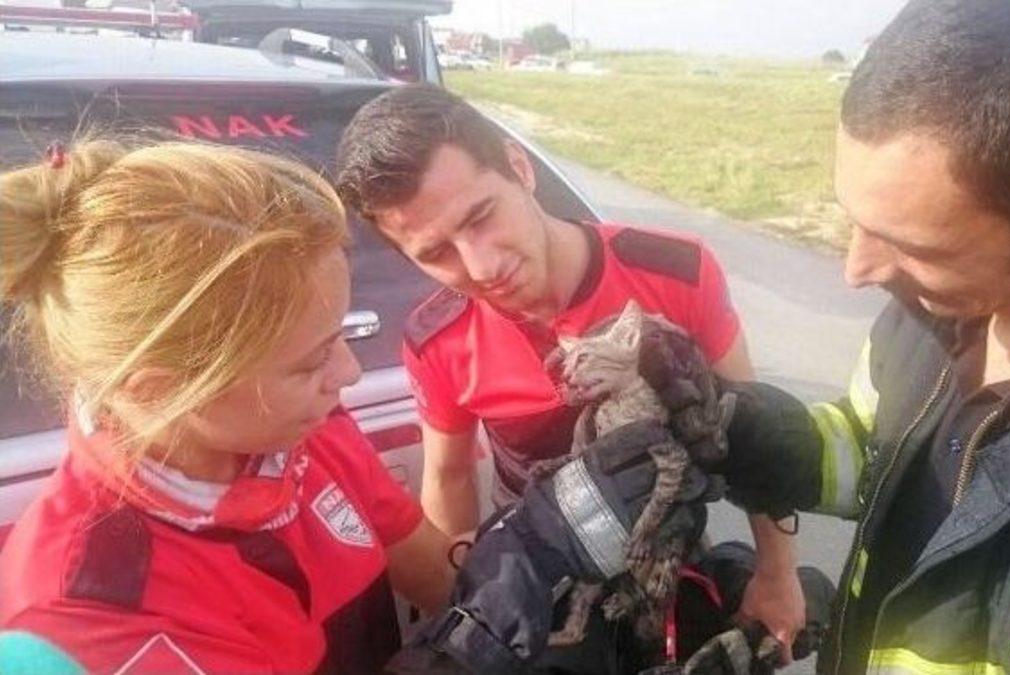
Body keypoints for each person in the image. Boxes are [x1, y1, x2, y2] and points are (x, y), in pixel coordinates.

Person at [0, 139, 700, 674]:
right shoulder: (88, 623)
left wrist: (544, 545)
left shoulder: (301, 434)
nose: (349, 373)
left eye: (340, 335)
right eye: (310, 361)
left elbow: (437, 575)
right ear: (156, 387)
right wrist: (479, 637)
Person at [676, 0, 1010, 673]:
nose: (858, 270)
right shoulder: (928, 304)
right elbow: (870, 444)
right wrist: (739, 429)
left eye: (912, 246)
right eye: (857, 223)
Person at [333, 84, 805, 670]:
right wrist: (464, 616)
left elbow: (758, 437)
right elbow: (450, 477)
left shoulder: (676, 272)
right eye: (436, 254)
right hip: (544, 585)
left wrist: (778, 574)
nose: (482, 265)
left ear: (520, 167)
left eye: (481, 217)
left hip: (666, 554)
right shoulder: (438, 340)